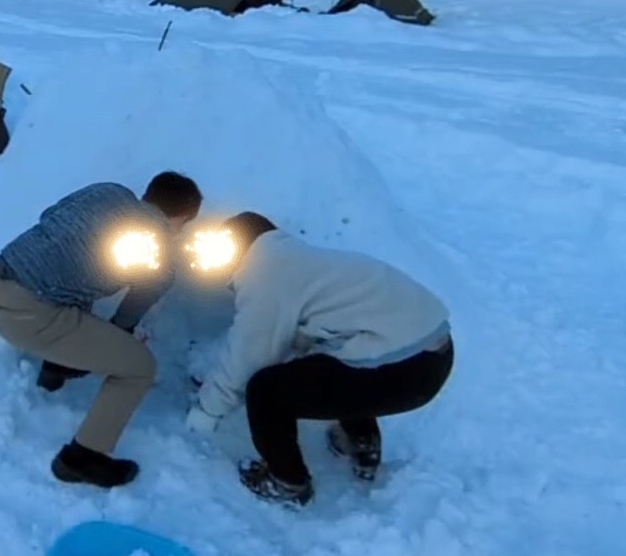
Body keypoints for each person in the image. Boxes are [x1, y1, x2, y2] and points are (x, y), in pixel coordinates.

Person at [186, 212, 454, 506]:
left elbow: (249, 353)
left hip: (405, 367)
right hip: (431, 353)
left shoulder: (265, 273)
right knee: (334, 367)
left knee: (266, 391)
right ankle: (362, 446)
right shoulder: (302, 263)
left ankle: (288, 481)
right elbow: (303, 339)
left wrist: (207, 410)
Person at [0, 172, 203, 489]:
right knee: (139, 367)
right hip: (26, 317)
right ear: (180, 220)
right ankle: (82, 457)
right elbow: (125, 319)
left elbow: (50, 218)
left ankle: (56, 367)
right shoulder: (161, 252)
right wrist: (116, 341)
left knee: (78, 285)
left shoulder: (107, 191)